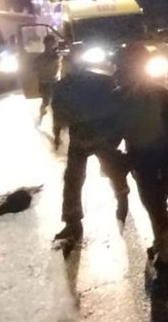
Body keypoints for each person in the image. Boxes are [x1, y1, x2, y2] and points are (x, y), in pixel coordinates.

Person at [117, 46, 168, 273]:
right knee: (159, 200)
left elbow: (114, 130)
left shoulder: (122, 95)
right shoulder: (162, 91)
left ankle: (164, 247)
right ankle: (161, 242)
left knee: (153, 201)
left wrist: (111, 159)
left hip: (143, 157)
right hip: (165, 154)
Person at [51, 71, 131, 242]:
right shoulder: (101, 81)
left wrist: (57, 134)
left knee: (76, 178)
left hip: (91, 136)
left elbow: (59, 116)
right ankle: (121, 198)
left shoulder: (64, 86)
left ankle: (74, 222)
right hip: (91, 137)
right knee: (105, 171)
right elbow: (118, 109)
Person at [36, 35, 62, 122]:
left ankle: (57, 122)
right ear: (46, 43)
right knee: (46, 102)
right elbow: (42, 69)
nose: (53, 44)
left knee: (57, 103)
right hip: (46, 82)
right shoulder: (41, 58)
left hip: (55, 81)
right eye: (51, 42)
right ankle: (41, 116)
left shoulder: (57, 55)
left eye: (53, 42)